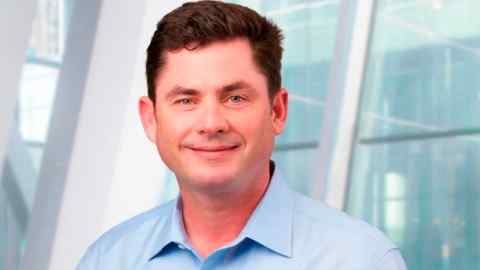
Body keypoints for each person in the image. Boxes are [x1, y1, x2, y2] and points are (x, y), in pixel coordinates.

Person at [76, 1, 407, 269]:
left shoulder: (360, 259)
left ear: (277, 111)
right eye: (186, 100)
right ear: (151, 119)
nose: (211, 123)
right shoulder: (107, 259)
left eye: (235, 98)